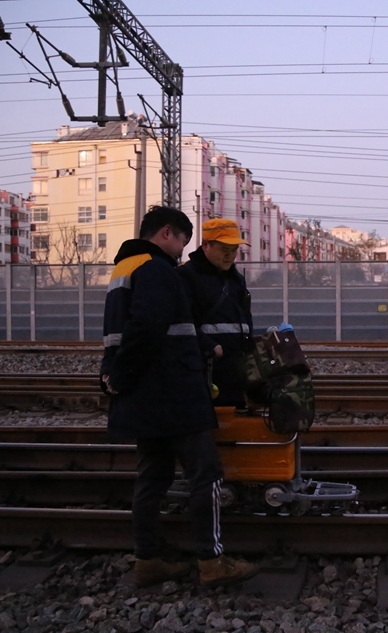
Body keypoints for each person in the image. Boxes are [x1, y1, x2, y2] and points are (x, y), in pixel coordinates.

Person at [100, 206, 258, 588]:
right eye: (182, 241)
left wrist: (115, 376)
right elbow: (147, 329)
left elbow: (124, 334)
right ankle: (211, 562)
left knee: (152, 476)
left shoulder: (124, 268)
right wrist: (120, 374)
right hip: (170, 391)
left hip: (145, 394)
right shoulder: (155, 269)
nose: (181, 251)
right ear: (167, 233)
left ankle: (148, 559)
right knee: (207, 473)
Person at [178, 218, 254, 408]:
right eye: (224, 250)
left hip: (235, 369)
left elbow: (245, 317)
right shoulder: (187, 276)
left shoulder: (236, 278)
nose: (230, 256)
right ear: (205, 246)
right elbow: (180, 321)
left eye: (234, 250)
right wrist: (209, 346)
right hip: (206, 368)